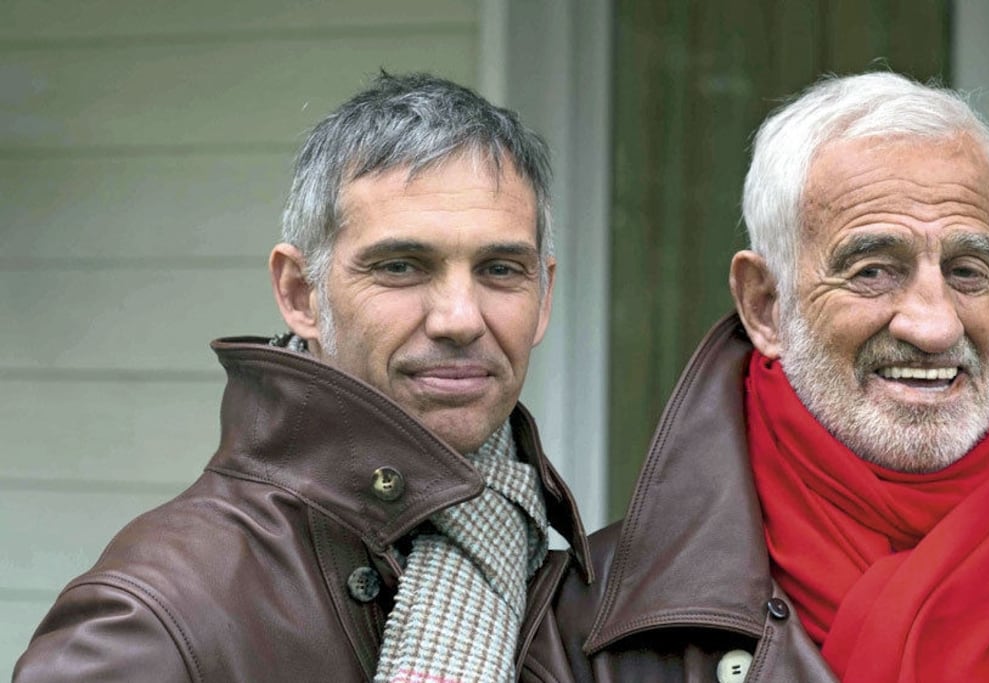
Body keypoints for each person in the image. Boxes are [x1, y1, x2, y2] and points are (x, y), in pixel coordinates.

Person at [527, 72, 989, 682]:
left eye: (966, 271)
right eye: (872, 270)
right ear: (765, 304)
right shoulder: (595, 623)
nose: (934, 322)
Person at [14, 72, 592, 683]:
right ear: (300, 294)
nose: (459, 319)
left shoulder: (578, 591)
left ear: (544, 297)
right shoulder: (155, 618)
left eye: (501, 269)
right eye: (400, 266)